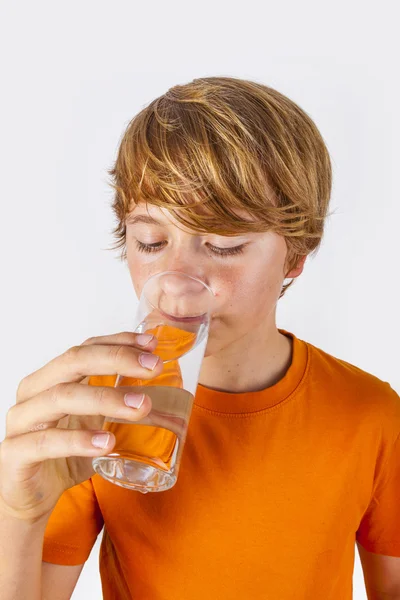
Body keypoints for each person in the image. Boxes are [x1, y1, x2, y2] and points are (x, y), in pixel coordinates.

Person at [1, 76, 399, 600]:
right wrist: (18, 515)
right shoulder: (98, 414)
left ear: (297, 255)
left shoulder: (371, 416)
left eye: (224, 244)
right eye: (150, 241)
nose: (178, 290)